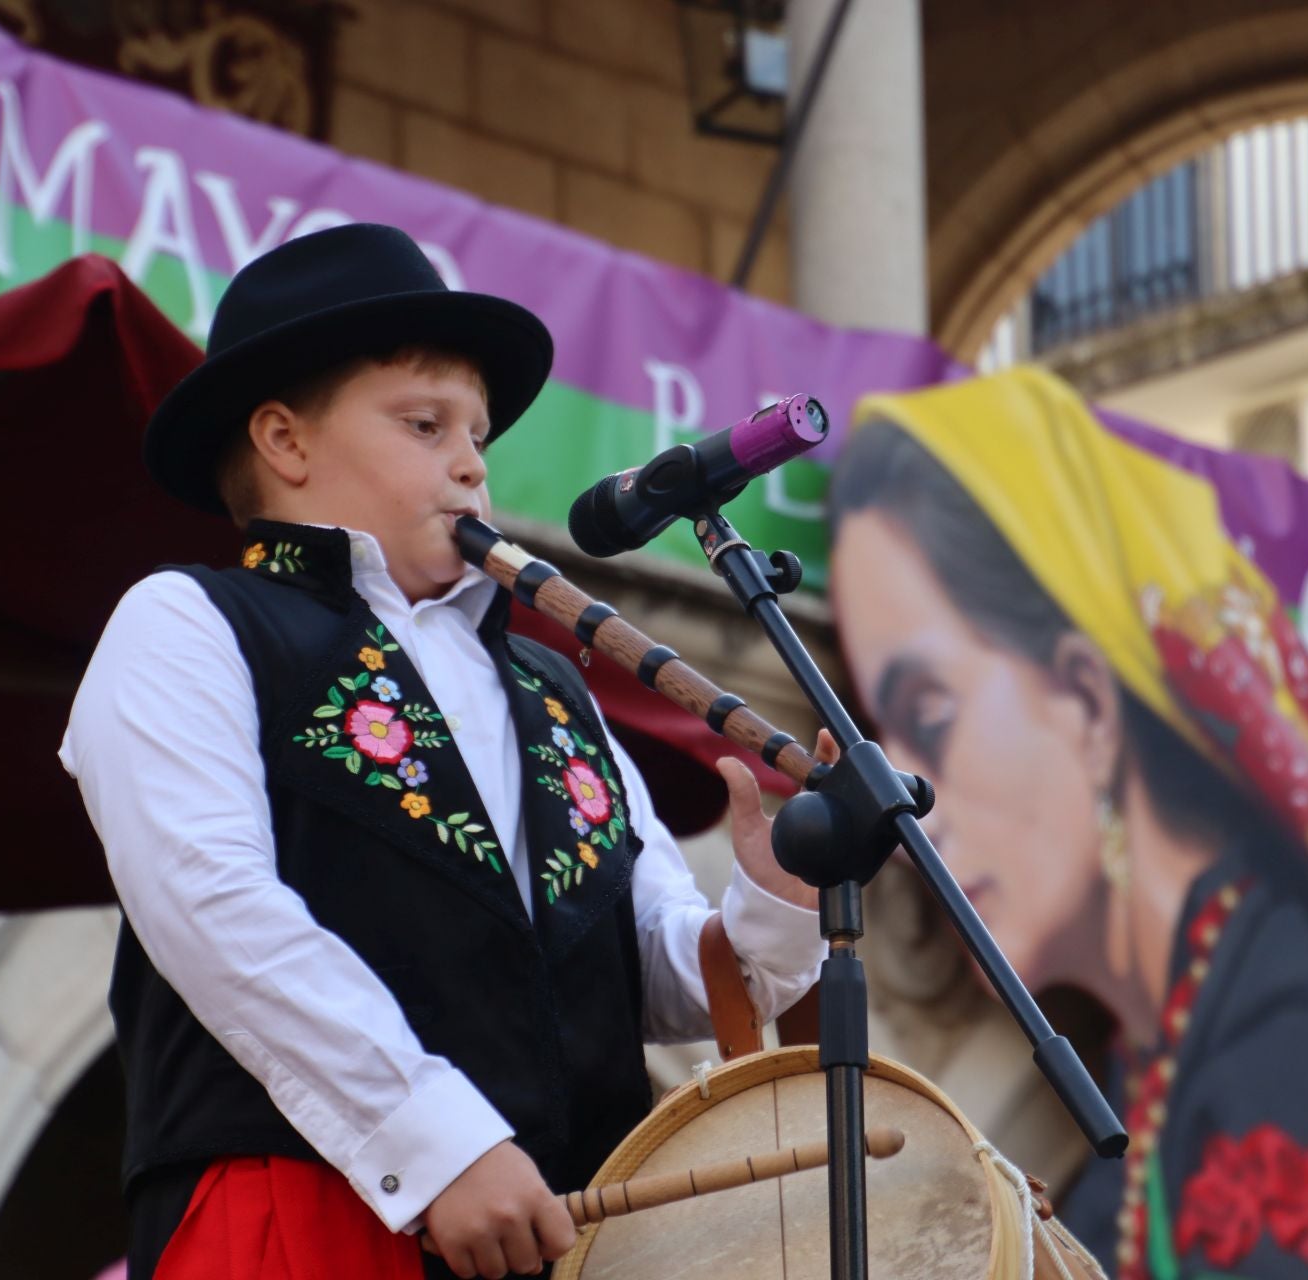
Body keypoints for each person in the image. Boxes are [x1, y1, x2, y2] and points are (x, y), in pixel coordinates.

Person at [59, 223, 826, 1280]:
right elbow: (212, 904)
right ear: (286, 442)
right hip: (309, 1210)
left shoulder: (555, 686)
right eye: (425, 424)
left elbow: (648, 968)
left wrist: (777, 899)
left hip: (576, 1226)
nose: (470, 461)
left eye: (478, 433)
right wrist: (433, 1138)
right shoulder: (189, 622)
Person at [826, 367, 1308, 1280]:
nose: (905, 799)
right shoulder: (1172, 1038)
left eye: (927, 718)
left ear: (1087, 699)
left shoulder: (1295, 1062)